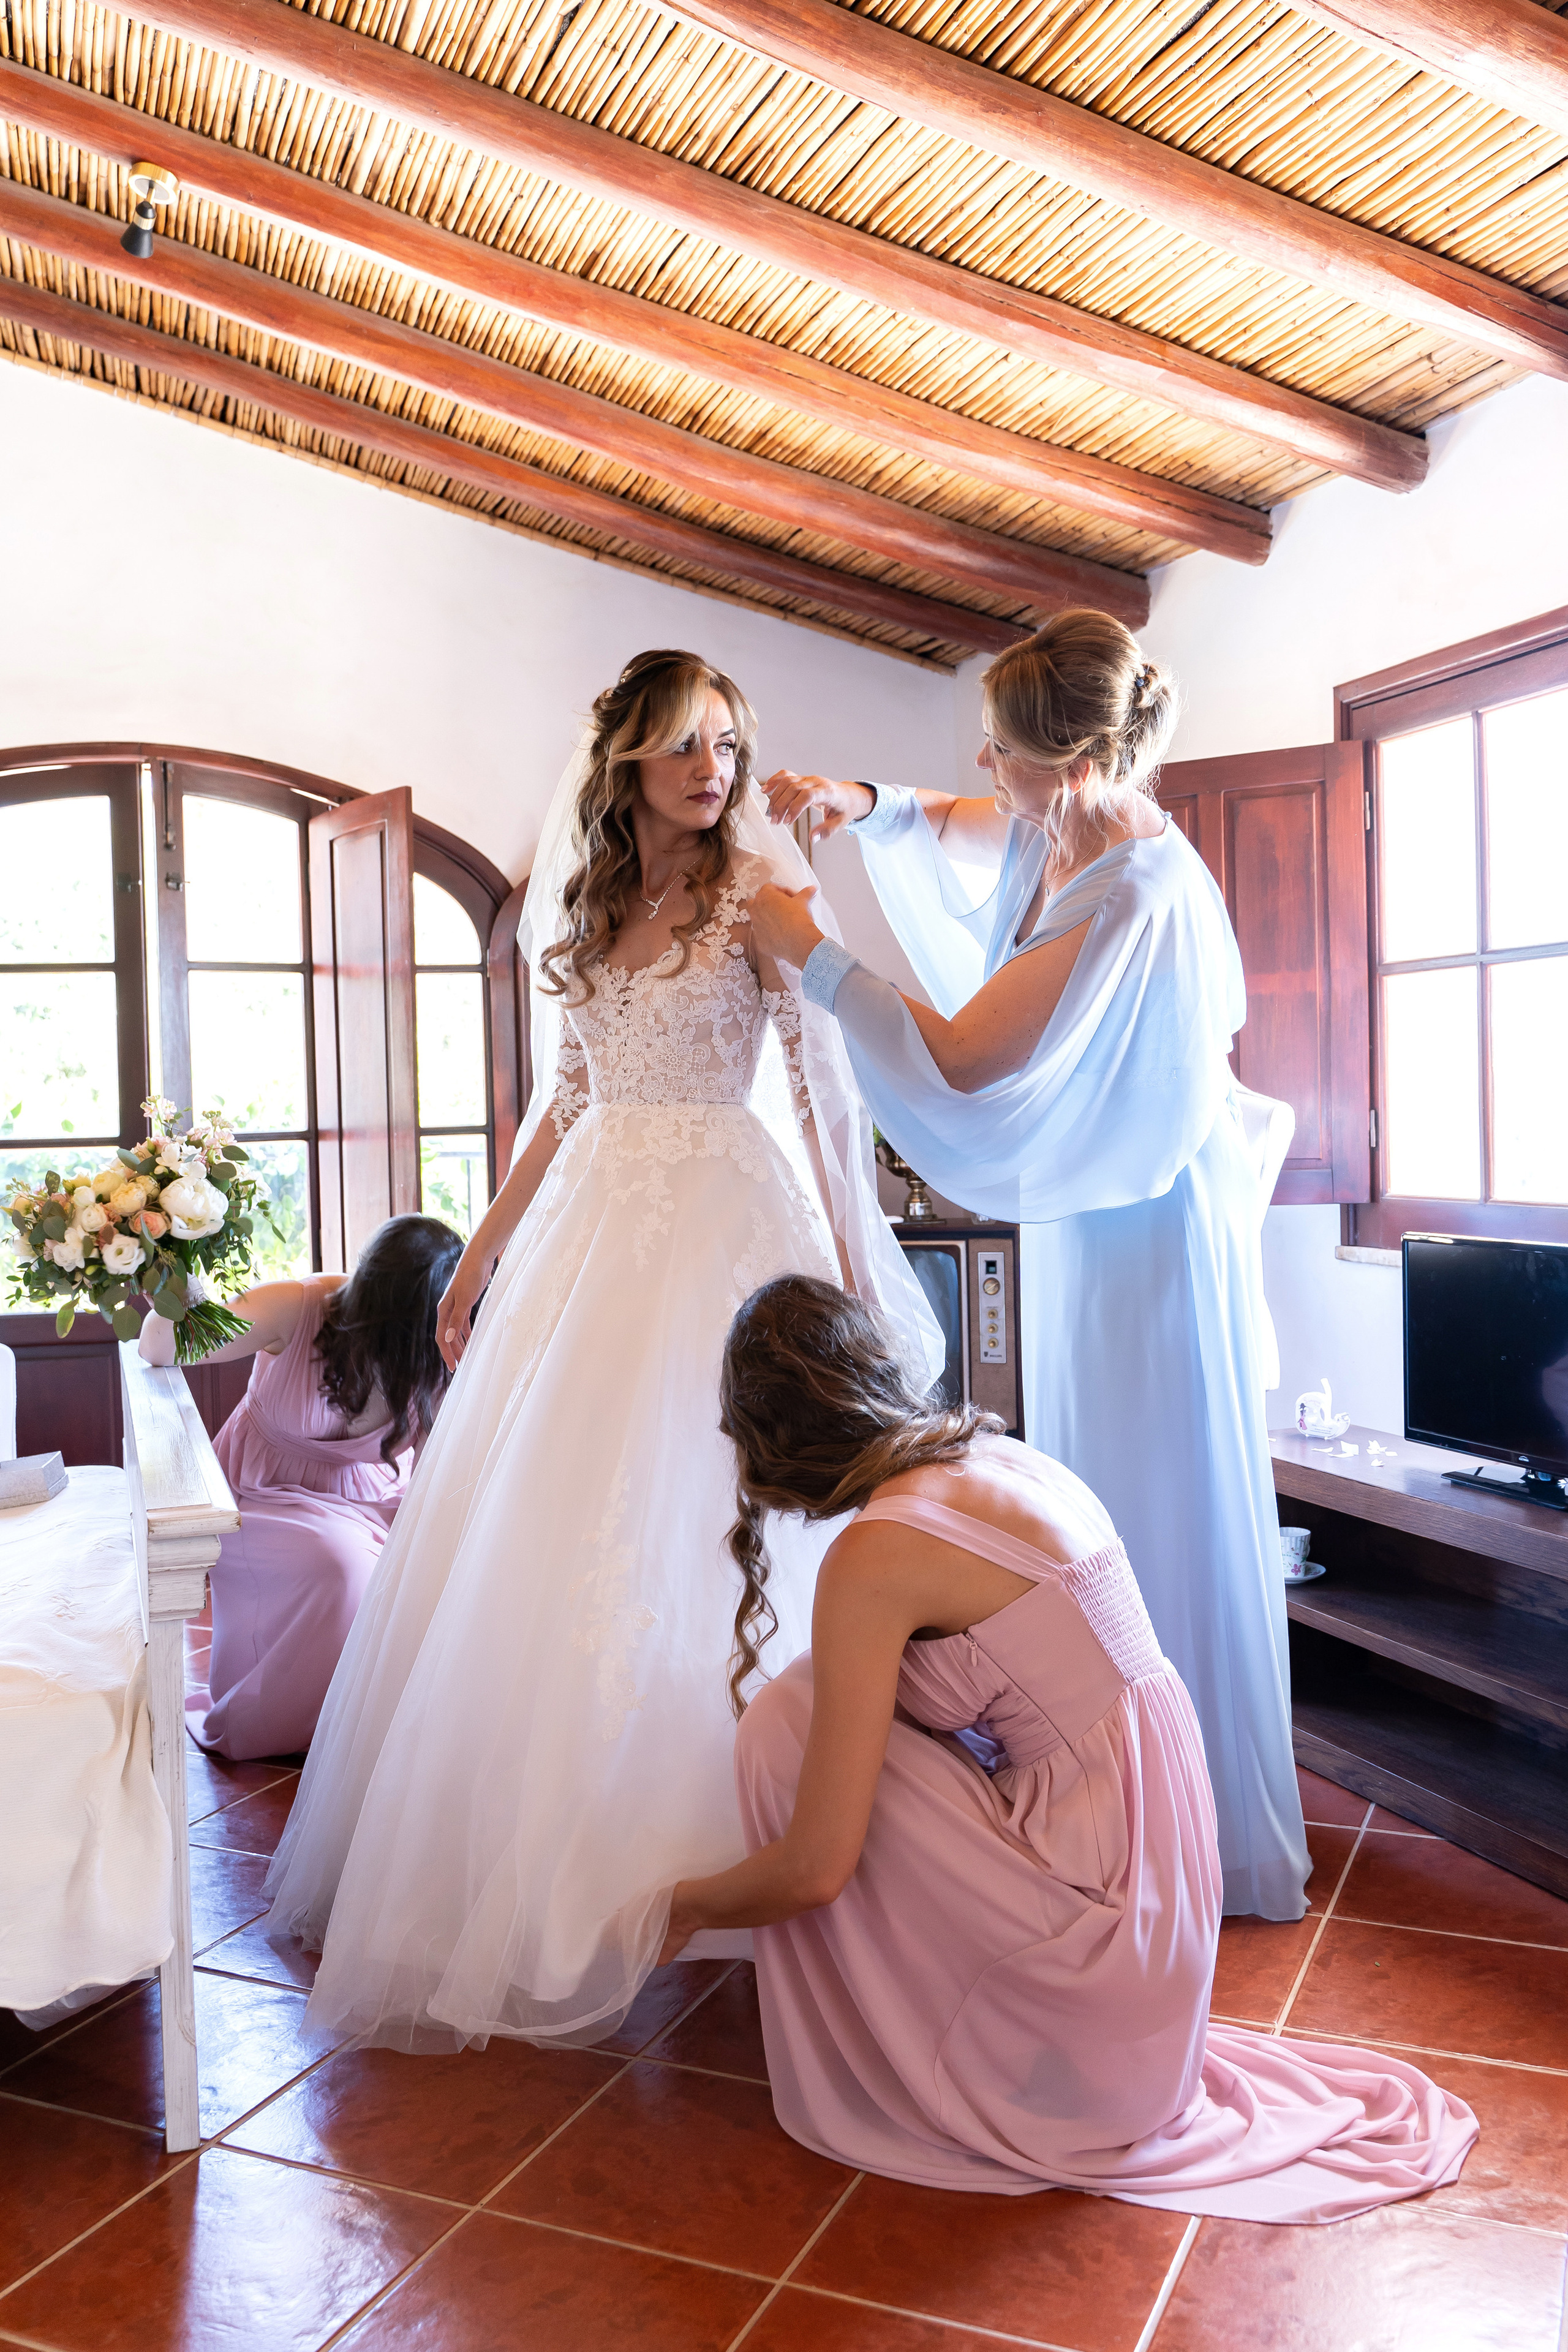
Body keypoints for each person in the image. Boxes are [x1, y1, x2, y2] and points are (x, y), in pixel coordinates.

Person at [263, 649, 933, 2049]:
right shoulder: (581, 906)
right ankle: (561, 1857)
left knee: (721, 1517)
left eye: (730, 745)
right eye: (686, 743)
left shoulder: (759, 893)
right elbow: (562, 1098)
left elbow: (820, 1085)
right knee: (555, 1529)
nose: (714, 768)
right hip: (588, 1230)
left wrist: (860, 1272)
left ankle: (747, 1840)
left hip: (730, 1227)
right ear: (625, 756)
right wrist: (490, 1248)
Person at [658, 1276, 1477, 2221]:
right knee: (802, 1707)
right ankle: (954, 2012)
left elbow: (814, 1872)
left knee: (782, 1730)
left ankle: (916, 2033)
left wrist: (678, 1907)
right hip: (1163, 1892)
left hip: (1102, 1919)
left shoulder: (876, 1553)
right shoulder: (999, 1459)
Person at [752, 609, 1309, 1920]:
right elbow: (955, 817)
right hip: (1099, 1226)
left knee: (1152, 1500)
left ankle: (1189, 1827)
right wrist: (861, 798)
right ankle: (1117, 1793)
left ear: (1064, 765)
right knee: (1098, 1495)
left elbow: (960, 1056)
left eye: (998, 752)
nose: (983, 774)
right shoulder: (1071, 821)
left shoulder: (1137, 889)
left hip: (1154, 1241)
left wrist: (808, 952)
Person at [138, 1214, 462, 1761]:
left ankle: (383, 1728)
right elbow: (162, 1350)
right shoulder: (296, 1305)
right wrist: (170, 1284)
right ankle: (289, 1725)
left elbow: (438, 1463)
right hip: (258, 1491)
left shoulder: (437, 1343)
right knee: (341, 1568)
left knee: (429, 1566)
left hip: (366, 1498)